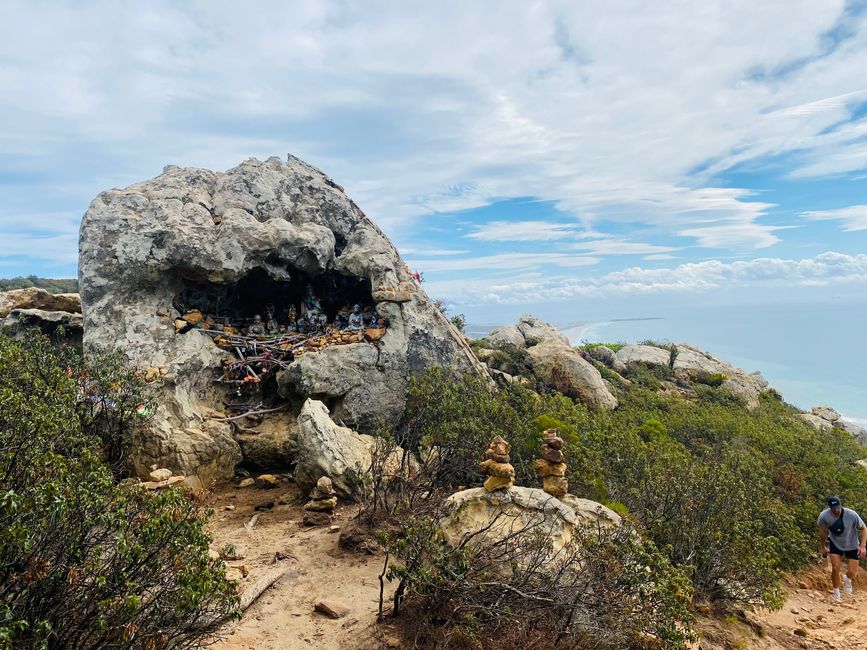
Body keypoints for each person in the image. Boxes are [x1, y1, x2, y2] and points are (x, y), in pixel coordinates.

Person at [817, 496, 867, 602]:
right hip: (835, 543)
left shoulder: (852, 514)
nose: (836, 510)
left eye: (838, 508)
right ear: (829, 507)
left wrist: (862, 546)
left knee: (852, 572)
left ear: (841, 505)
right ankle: (836, 593)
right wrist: (823, 547)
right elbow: (822, 532)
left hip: (852, 544)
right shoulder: (824, 516)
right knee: (835, 568)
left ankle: (847, 579)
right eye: (833, 508)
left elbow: (864, 528)